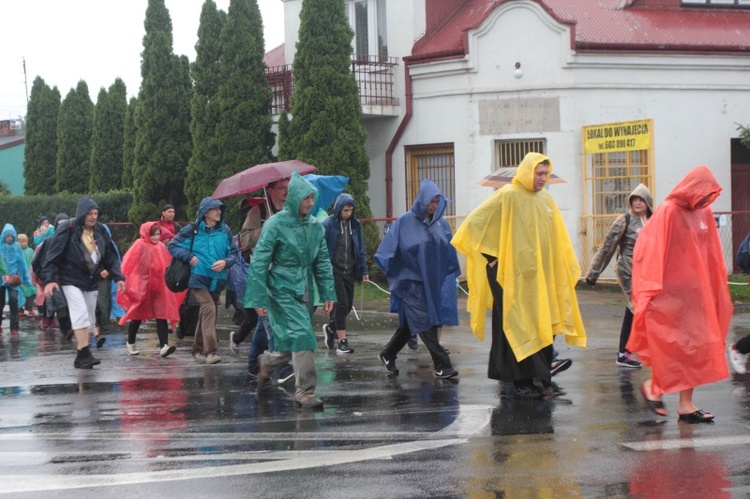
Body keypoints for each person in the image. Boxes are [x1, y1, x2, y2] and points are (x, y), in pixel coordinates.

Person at [451, 152, 587, 398]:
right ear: (527, 172)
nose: (543, 178)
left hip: (538, 278)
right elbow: (474, 226)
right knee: (514, 323)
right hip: (508, 277)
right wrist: (491, 259)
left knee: (542, 321)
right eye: (539, 173)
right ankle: (518, 380)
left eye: (546, 173)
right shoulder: (507, 195)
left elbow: (555, 239)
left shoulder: (545, 199)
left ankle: (540, 378)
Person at [628, 166, 732, 423]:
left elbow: (712, 253)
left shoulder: (704, 212)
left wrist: (716, 283)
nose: (708, 200)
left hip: (698, 295)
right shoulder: (668, 211)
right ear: (693, 188)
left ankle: (685, 404)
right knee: (673, 347)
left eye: (711, 196)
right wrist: (649, 290)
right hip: (670, 295)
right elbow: (647, 251)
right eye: (705, 194)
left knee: (696, 347)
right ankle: (654, 386)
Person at [245, 172, 335, 409]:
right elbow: (260, 262)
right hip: (280, 288)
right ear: (294, 198)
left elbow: (322, 261)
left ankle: (268, 362)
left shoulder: (315, 226)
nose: (310, 203)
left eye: (312, 198)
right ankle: (305, 391)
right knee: (303, 334)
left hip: (304, 285)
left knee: (292, 339)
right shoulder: (275, 224)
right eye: (306, 198)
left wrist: (327, 292)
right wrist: (258, 296)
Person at [375, 178, 460, 379]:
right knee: (425, 321)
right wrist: (396, 275)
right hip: (409, 283)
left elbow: (447, 252)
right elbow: (386, 251)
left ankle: (388, 354)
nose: (434, 205)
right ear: (422, 199)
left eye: (437, 201)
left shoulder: (441, 224)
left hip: (430, 283)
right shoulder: (405, 222)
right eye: (431, 201)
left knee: (409, 325)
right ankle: (442, 364)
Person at [41, 198, 126, 368]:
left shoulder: (101, 230)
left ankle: (81, 355)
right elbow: (53, 255)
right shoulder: (68, 228)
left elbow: (110, 255)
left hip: (91, 279)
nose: (93, 217)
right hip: (70, 279)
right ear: (82, 213)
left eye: (96, 213)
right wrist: (49, 280)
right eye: (90, 213)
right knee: (79, 312)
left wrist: (119, 277)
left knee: (89, 318)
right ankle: (85, 352)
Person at [585, 184, 654, 368]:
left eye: (641, 199)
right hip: (628, 270)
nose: (638, 203)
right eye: (634, 200)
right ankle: (623, 353)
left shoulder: (654, 221)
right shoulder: (625, 220)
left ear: (648, 202)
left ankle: (631, 350)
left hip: (648, 273)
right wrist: (593, 274)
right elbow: (608, 247)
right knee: (635, 306)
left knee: (638, 309)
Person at [169, 197, 239, 365]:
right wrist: (189, 256)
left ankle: (197, 350)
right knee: (208, 309)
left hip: (218, 279)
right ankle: (211, 352)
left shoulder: (225, 231)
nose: (219, 212)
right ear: (206, 212)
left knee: (206, 314)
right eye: (216, 209)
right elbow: (172, 245)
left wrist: (226, 262)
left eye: (220, 209)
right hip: (198, 278)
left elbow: (234, 253)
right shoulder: (192, 230)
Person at [231, 178, 291, 352]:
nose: (286, 192)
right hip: (263, 270)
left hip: (285, 271)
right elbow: (245, 239)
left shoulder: (290, 211)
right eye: (281, 188)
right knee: (267, 318)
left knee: (273, 319)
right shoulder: (259, 211)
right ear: (270, 190)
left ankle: (266, 357)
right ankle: (269, 361)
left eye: (288, 187)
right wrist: (267, 228)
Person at [117, 222, 180, 357]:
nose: (156, 237)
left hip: (159, 287)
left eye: (158, 234)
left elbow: (167, 264)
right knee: (137, 315)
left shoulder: (161, 247)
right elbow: (129, 262)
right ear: (146, 234)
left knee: (161, 315)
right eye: (153, 235)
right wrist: (124, 280)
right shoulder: (139, 245)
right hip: (142, 286)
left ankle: (164, 346)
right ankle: (131, 342)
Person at [321, 194, 370, 354]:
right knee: (341, 304)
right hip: (333, 269)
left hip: (350, 269)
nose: (348, 213)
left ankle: (331, 328)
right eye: (345, 210)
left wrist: (364, 270)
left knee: (348, 306)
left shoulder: (355, 224)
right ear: (338, 209)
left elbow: (360, 248)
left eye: (351, 210)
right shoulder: (328, 224)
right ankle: (343, 341)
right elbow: (322, 248)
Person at [0, 224, 33, 335]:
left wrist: (27, 281)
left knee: (14, 301)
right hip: (1, 280)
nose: (9, 238)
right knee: (0, 303)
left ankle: (14, 327)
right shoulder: (0, 246)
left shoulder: (16, 247)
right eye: (7, 236)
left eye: (11, 236)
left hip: (13, 279)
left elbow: (22, 264)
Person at [16, 233, 37, 321]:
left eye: (25, 241)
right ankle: (20, 308)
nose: (24, 243)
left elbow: (34, 261)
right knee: (20, 292)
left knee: (31, 291)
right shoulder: (16, 251)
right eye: (21, 241)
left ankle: (29, 307)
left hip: (29, 274)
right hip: (19, 275)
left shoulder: (31, 251)